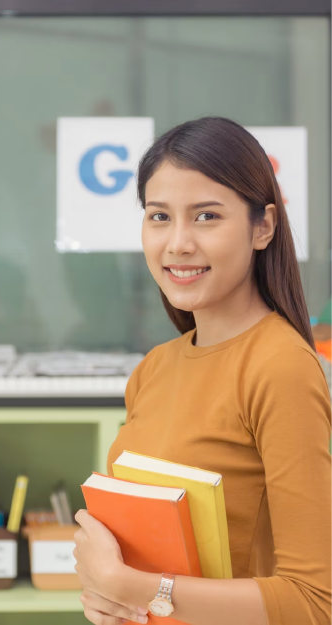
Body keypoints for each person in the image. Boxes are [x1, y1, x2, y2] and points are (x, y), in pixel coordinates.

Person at [72, 117, 331, 625]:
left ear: (264, 226)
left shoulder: (280, 368)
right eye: (159, 216)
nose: (178, 243)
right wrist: (111, 601)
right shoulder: (153, 369)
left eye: (207, 216)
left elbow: (313, 602)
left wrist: (132, 587)